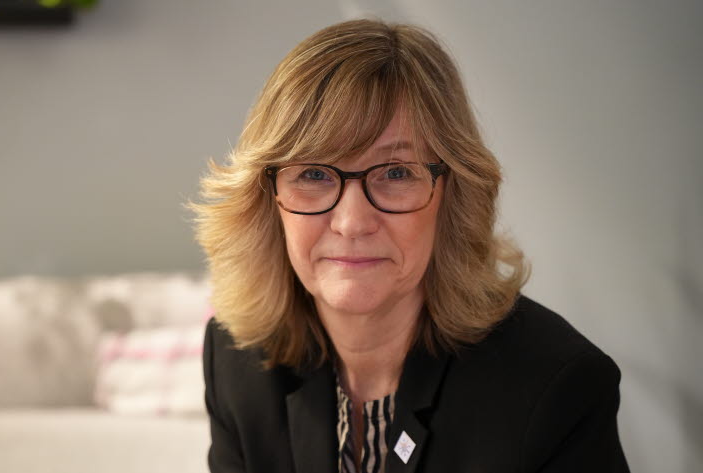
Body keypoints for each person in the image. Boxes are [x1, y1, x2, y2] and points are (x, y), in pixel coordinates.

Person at [192, 18, 629, 473]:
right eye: (314, 174)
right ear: (267, 198)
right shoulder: (235, 360)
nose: (352, 222)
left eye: (396, 172)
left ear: (451, 194)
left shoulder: (557, 388)